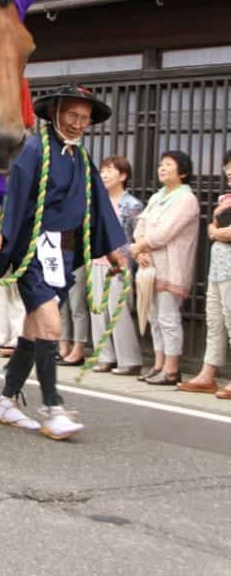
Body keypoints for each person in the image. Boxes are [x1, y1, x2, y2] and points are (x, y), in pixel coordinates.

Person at [0, 85, 128, 440]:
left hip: (62, 254)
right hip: (33, 248)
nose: (78, 124)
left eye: (84, 119)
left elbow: (98, 203)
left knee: (35, 328)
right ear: (56, 113)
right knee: (50, 321)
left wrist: (112, 248)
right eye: (72, 116)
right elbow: (11, 189)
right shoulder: (34, 147)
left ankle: (5, 401)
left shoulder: (80, 157)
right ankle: (52, 407)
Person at [130, 150, 199, 386]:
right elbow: (141, 224)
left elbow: (166, 232)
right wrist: (141, 248)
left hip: (172, 268)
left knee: (168, 317)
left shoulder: (186, 199)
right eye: (161, 164)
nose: (162, 168)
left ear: (183, 172)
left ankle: (172, 369)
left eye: (169, 165)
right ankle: (158, 364)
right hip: (150, 265)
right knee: (154, 317)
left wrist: (141, 246)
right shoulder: (158, 196)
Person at [177, 150, 231, 398]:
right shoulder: (225, 199)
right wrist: (218, 231)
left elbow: (220, 231)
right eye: (227, 166)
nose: (228, 171)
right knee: (214, 321)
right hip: (219, 267)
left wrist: (218, 232)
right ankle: (207, 374)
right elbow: (212, 227)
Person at [90, 155, 143, 375]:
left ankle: (129, 359)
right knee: (97, 311)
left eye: (109, 170)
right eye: (102, 170)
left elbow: (138, 235)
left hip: (120, 264)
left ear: (123, 175)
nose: (104, 174)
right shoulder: (97, 201)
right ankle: (104, 356)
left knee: (118, 310)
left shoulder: (132, 205)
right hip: (97, 260)